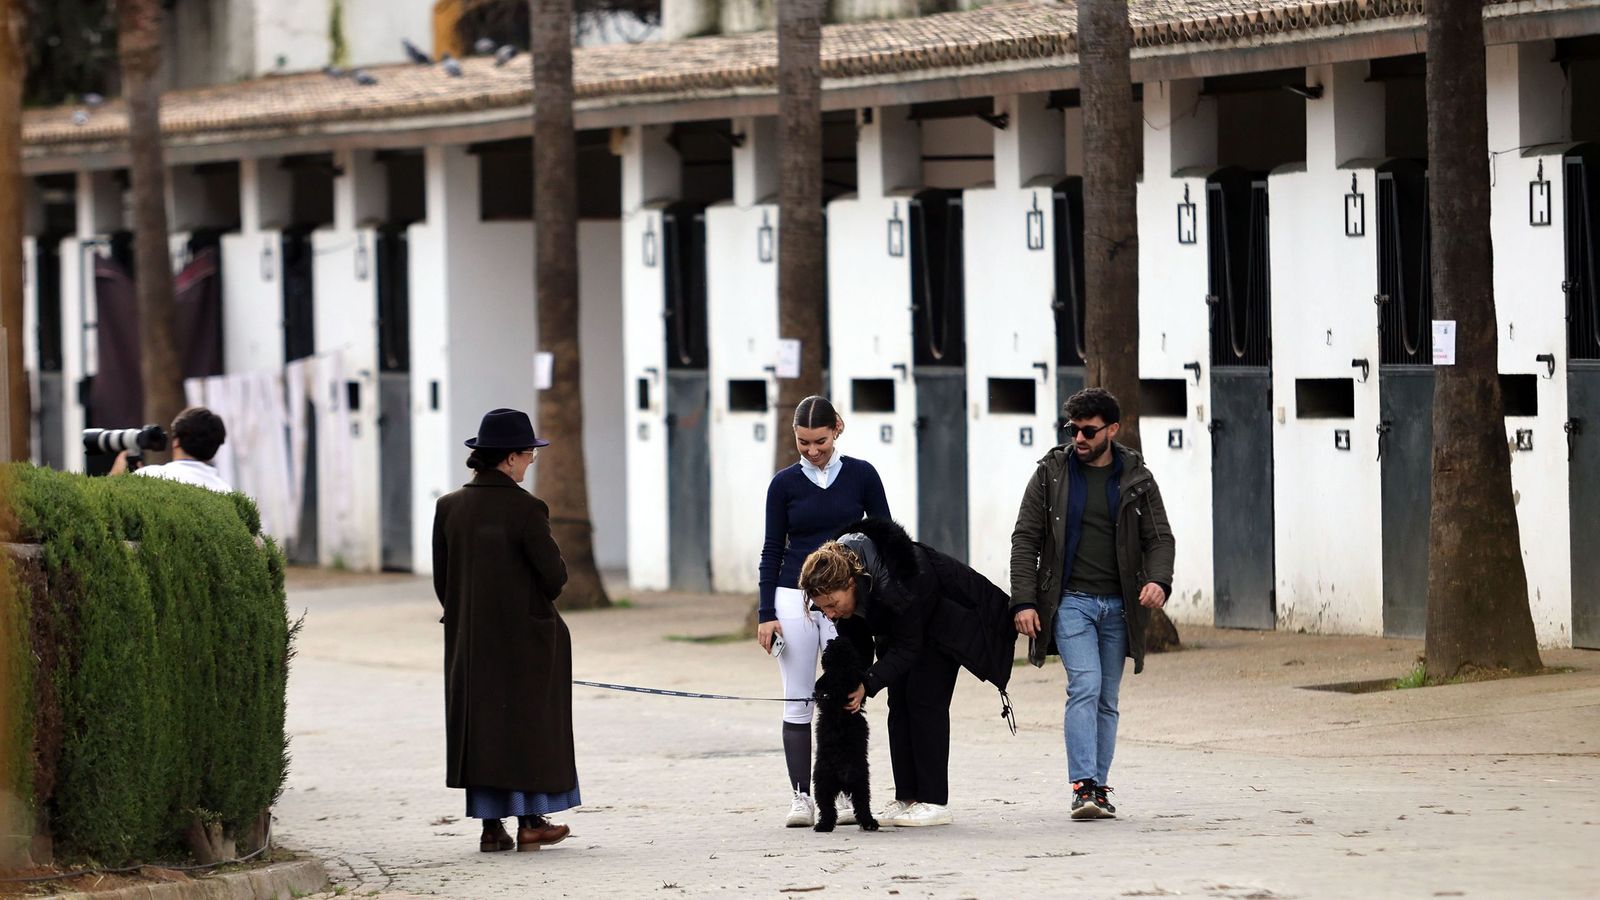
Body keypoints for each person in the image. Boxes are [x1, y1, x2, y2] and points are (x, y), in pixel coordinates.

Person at [1008, 387, 1175, 820]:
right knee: (1085, 684)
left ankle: (1098, 789)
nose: (1079, 438)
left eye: (1088, 431)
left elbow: (1160, 538)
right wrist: (1024, 601)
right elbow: (1025, 538)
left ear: (1112, 429)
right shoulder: (1051, 473)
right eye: (1073, 430)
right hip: (1071, 603)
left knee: (1107, 697)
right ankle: (1082, 785)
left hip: (1120, 607)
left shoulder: (1137, 476)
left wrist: (1159, 581)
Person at [799, 517, 1015, 828]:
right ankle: (908, 798)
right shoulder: (848, 586)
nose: (830, 614)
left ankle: (934, 801)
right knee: (898, 703)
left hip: (945, 623)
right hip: (902, 628)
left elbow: (909, 646)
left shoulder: (903, 574)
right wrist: (851, 684)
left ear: (850, 584)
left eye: (832, 604)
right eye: (823, 609)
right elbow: (858, 645)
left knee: (924, 701)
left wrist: (869, 683)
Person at [432, 407, 577, 853]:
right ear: (511, 458)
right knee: (526, 727)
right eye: (529, 454)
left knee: (484, 729)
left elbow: (443, 582)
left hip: (469, 643)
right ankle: (531, 822)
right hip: (525, 643)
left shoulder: (449, 507)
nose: (531, 461)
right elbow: (553, 578)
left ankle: (491, 829)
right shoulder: (526, 508)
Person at [757, 395, 890, 828]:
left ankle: (849, 795)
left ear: (837, 429)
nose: (812, 450)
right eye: (803, 443)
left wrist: (879, 601)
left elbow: (884, 536)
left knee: (846, 694)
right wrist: (765, 612)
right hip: (792, 596)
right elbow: (772, 548)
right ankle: (802, 797)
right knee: (798, 698)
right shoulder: (783, 485)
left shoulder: (862, 475)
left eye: (820, 441)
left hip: (845, 598)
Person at [110, 406, 231, 493]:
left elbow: (108, 503)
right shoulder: (225, 491)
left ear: (176, 442)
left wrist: (115, 477)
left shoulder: (150, 477)